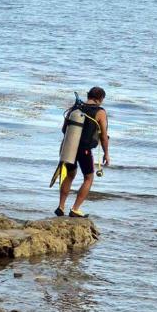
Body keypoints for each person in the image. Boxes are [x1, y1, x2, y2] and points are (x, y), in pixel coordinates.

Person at [55, 87, 110, 218]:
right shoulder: (100, 112)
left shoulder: (75, 108)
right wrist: (106, 153)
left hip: (69, 146)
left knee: (69, 175)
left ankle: (61, 206)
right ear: (101, 99)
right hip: (84, 149)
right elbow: (103, 136)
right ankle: (75, 209)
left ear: (88, 95)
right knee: (88, 178)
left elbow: (64, 129)